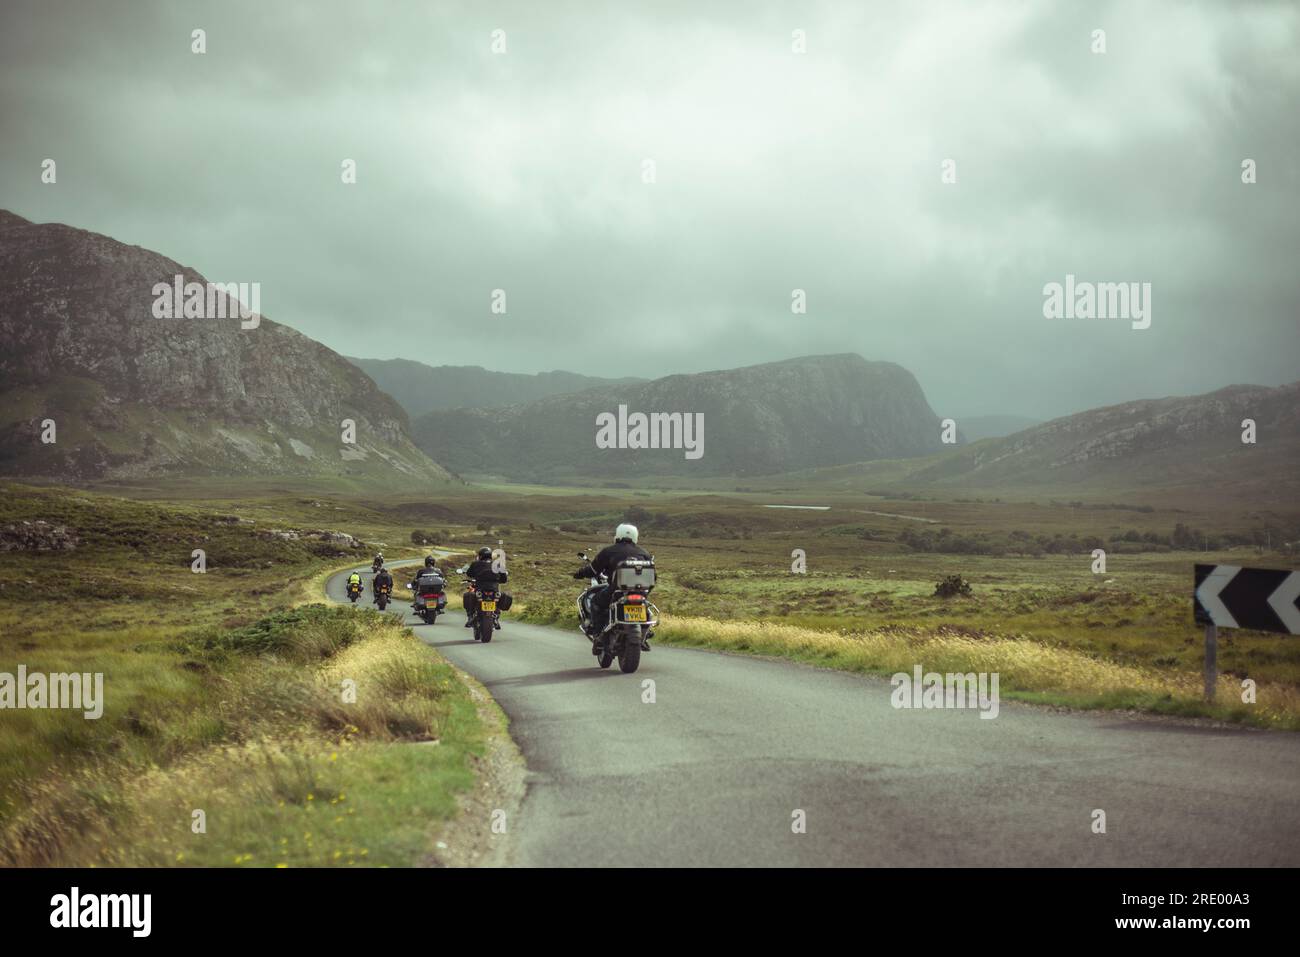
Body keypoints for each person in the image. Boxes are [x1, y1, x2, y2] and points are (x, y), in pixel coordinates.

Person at [573, 523, 651, 640]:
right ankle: (646, 632)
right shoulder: (644, 553)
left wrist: (580, 573)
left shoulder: (608, 551)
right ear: (635, 536)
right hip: (640, 591)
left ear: (618, 535)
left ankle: (598, 634)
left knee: (595, 602)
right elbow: (652, 574)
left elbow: (593, 570)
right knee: (646, 607)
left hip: (616, 590)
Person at [463, 546, 508, 627]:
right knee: (498, 599)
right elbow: (504, 579)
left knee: (468, 595)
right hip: (494, 590)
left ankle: (470, 617)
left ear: (480, 556)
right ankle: (496, 617)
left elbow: (469, 574)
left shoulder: (475, 564)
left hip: (480, 589)